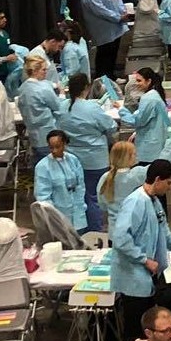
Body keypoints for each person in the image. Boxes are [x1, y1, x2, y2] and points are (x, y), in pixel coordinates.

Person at [57, 74, 117, 232]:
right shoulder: (92, 108)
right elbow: (110, 126)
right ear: (87, 88)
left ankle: (79, 231)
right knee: (93, 197)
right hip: (94, 160)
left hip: (71, 159)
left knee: (76, 197)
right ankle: (95, 232)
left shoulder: (62, 107)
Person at [80, 0, 133, 78]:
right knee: (105, 57)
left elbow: (117, 1)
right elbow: (100, 10)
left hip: (115, 29)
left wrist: (124, 12)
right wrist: (118, 17)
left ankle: (111, 77)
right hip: (104, 31)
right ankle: (103, 80)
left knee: (113, 55)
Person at [33, 130, 87, 233]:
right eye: (51, 147)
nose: (54, 151)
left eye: (57, 147)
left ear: (65, 144)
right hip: (58, 215)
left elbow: (80, 185)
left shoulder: (73, 160)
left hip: (77, 212)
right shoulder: (43, 167)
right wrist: (53, 216)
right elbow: (42, 196)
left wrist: (80, 205)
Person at [17, 57, 61, 165]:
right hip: (47, 135)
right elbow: (57, 106)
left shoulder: (22, 88)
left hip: (33, 136)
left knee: (40, 169)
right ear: (35, 71)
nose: (46, 73)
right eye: (44, 70)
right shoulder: (43, 89)